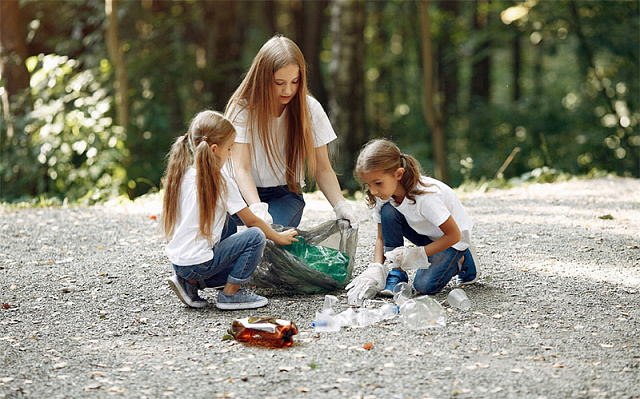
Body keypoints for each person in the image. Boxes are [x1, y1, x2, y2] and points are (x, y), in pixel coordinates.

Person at [161, 110, 299, 310]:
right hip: (199, 265)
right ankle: (231, 294)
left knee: (228, 227)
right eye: (229, 149)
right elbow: (251, 222)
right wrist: (278, 237)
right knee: (255, 236)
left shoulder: (181, 174)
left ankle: (188, 283)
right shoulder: (220, 180)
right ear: (215, 149)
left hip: (179, 263)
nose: (231, 153)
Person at [225, 34, 357, 229]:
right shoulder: (242, 109)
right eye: (279, 83)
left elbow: (322, 168)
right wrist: (256, 207)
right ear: (262, 78)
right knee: (223, 240)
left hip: (283, 194)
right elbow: (241, 168)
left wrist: (340, 205)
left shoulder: (310, 109)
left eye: (295, 82)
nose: (288, 90)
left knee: (271, 239)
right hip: (239, 194)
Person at [354, 138, 479, 296]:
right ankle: (396, 273)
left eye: (378, 183)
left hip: (452, 240)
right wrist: (376, 267)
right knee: (388, 210)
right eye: (368, 185)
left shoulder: (426, 197)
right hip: (426, 234)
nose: (373, 191)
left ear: (398, 174)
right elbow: (381, 238)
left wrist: (416, 254)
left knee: (424, 286)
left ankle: (463, 260)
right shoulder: (383, 195)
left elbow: (454, 235)